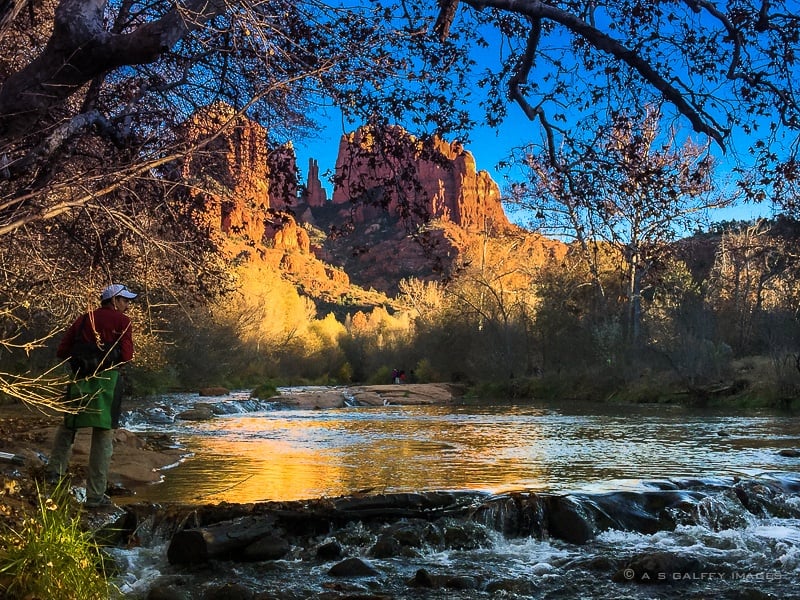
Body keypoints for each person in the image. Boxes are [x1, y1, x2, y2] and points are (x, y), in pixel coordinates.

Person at [46, 283, 137, 508]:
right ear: (113, 300)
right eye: (125, 300)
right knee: (103, 437)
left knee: (68, 427)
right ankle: (95, 496)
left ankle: (53, 477)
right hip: (108, 382)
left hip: (79, 381)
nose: (128, 305)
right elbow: (126, 356)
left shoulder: (84, 319)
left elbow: (62, 351)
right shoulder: (123, 322)